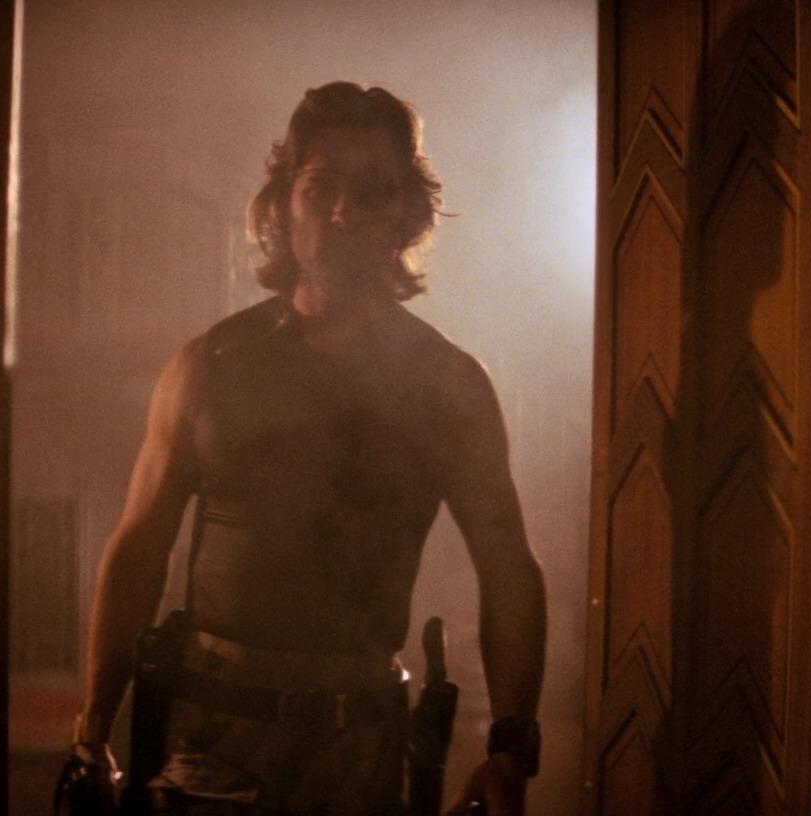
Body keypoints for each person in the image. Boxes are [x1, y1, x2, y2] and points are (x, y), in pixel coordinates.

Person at [63, 82, 546, 816]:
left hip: (360, 749)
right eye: (321, 187)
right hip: (210, 744)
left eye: (372, 190)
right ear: (284, 205)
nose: (343, 212)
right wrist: (92, 730)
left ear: (407, 213)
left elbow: (508, 569)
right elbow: (139, 545)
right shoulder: (209, 365)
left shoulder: (449, 386)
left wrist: (510, 748)